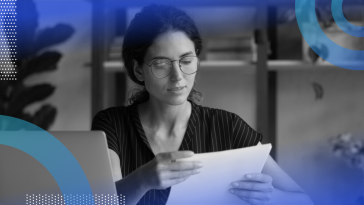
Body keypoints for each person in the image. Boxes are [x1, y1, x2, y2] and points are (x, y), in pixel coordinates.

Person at [91, 4, 314, 205]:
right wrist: (142, 180)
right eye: (161, 64)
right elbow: (101, 203)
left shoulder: (228, 126)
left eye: (186, 61)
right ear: (139, 69)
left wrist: (272, 197)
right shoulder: (112, 124)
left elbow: (304, 201)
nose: (178, 76)